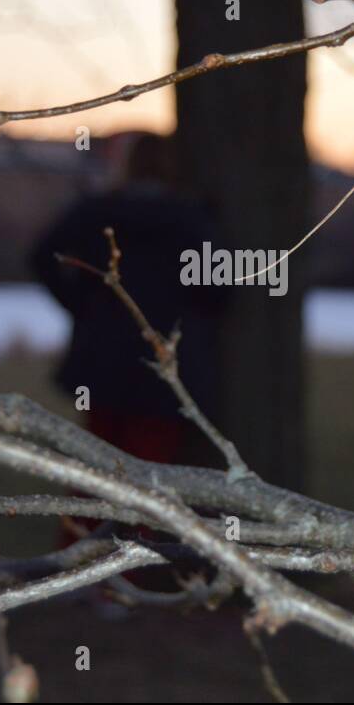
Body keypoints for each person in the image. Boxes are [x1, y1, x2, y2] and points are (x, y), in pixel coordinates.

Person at [31, 132, 225, 469]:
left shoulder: (96, 212)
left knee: (94, 472)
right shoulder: (192, 220)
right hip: (165, 368)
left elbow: (42, 256)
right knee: (150, 476)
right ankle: (130, 524)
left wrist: (83, 306)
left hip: (103, 363)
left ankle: (87, 524)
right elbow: (219, 291)